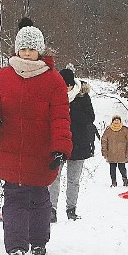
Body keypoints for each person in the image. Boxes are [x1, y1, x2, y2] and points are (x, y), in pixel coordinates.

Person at [0, 17, 72, 255]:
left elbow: (61, 118)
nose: (27, 53)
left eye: (32, 49)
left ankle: (38, 241)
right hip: (10, 147)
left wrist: (60, 147)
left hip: (40, 151)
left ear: (40, 50)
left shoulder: (54, 80)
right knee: (14, 199)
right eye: (24, 48)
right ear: (17, 48)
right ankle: (16, 246)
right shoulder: (4, 75)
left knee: (40, 199)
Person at [48, 67, 97, 221]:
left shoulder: (83, 97)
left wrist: (70, 111)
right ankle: (51, 209)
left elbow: (90, 118)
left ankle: (71, 209)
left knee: (73, 180)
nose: (66, 88)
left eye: (68, 85)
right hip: (59, 144)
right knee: (54, 178)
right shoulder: (54, 96)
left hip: (79, 145)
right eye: (63, 85)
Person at [100, 115, 128, 187]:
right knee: (112, 169)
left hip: (122, 153)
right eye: (115, 120)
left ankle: (125, 180)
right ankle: (113, 182)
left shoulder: (125, 130)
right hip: (111, 153)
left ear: (120, 121)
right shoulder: (108, 130)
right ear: (112, 121)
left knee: (122, 168)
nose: (116, 121)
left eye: (118, 120)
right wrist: (104, 152)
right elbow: (104, 142)